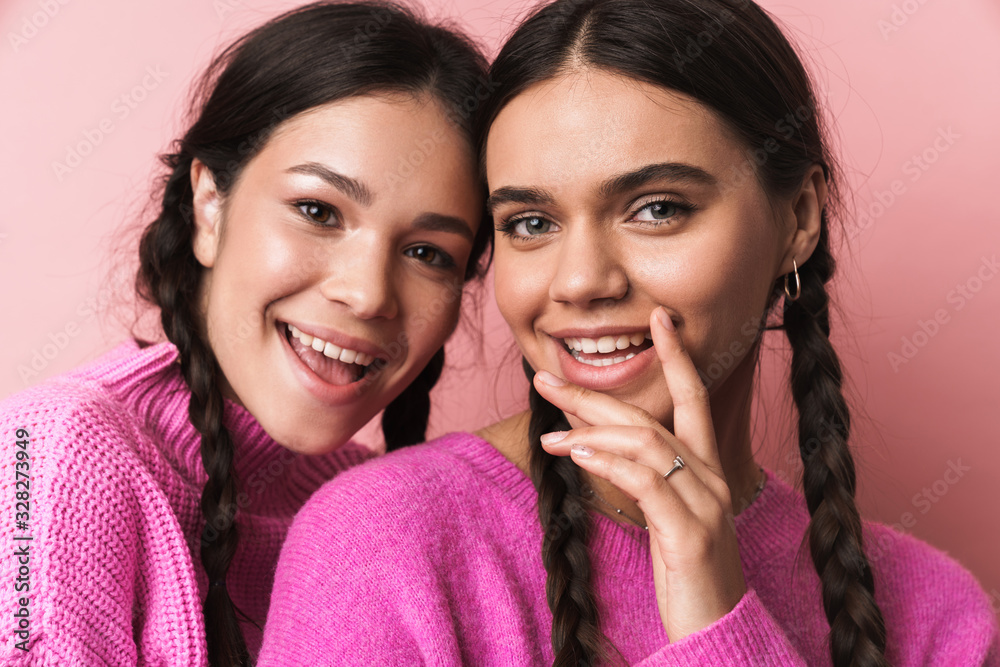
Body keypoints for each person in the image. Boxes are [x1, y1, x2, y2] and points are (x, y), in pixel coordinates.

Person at [258, 0, 998, 665]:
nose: (580, 280)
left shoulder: (938, 614)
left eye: (657, 208)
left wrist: (717, 619)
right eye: (531, 222)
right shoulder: (382, 544)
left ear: (798, 219)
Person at [0, 2, 490, 665]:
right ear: (209, 204)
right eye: (317, 210)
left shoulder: (361, 508)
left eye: (429, 253)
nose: (369, 292)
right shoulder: (55, 454)